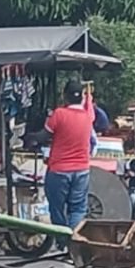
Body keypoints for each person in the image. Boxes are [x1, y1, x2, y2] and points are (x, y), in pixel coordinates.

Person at [44, 80, 96, 249]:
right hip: (81, 170)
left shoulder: (59, 114)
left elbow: (44, 135)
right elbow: (89, 106)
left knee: (56, 207)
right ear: (81, 96)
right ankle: (74, 241)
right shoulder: (88, 116)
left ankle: (62, 239)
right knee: (78, 208)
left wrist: (29, 138)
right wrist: (87, 96)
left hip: (59, 171)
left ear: (64, 96)